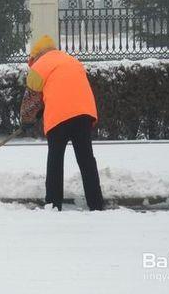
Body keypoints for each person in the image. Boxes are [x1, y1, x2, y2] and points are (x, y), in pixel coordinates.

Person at [20, 35, 104, 211]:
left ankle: (53, 203)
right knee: (86, 158)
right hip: (84, 113)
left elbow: (31, 102)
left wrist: (27, 121)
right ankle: (96, 203)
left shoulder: (38, 66)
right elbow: (66, 87)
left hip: (59, 117)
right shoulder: (71, 60)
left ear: (35, 57)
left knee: (55, 159)